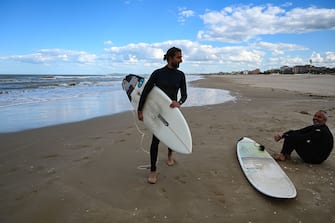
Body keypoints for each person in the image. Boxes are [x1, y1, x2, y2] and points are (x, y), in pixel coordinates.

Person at [137, 47, 187, 184]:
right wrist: (140, 110)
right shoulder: (158, 73)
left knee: (172, 133)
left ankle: (170, 153)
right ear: (170, 57)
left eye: (181, 57)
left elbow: (184, 94)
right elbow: (146, 92)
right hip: (157, 112)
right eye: (178, 57)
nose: (181, 60)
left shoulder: (181, 75)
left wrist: (179, 102)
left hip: (172, 111)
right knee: (156, 140)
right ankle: (153, 170)